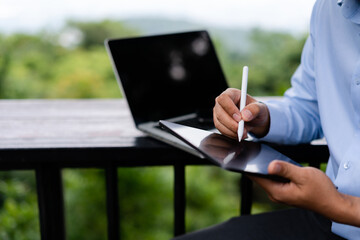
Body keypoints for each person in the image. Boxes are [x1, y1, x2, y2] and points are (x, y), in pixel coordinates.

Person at [173, 0, 360, 239]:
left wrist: (343, 206)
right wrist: (261, 117)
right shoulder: (328, 9)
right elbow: (309, 106)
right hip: (326, 221)